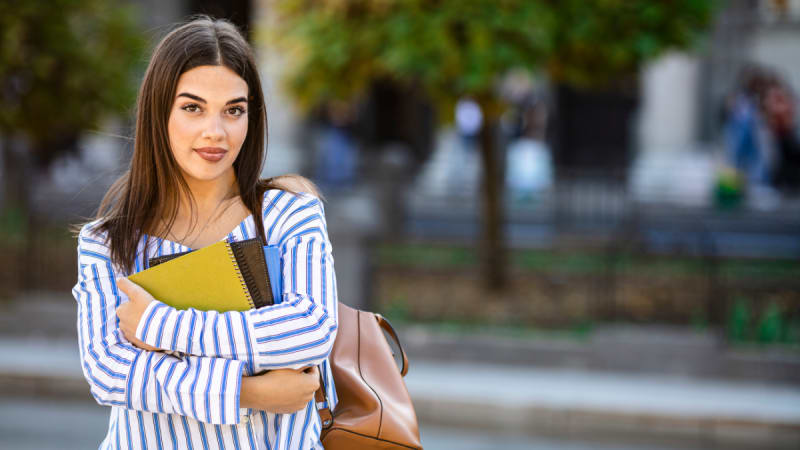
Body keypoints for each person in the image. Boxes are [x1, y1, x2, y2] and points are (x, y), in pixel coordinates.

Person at [72, 16, 338, 450]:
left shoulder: (289, 214)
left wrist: (162, 325)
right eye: (193, 107)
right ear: (160, 113)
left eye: (234, 110)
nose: (216, 131)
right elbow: (110, 371)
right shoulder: (107, 243)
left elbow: (311, 328)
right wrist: (247, 391)